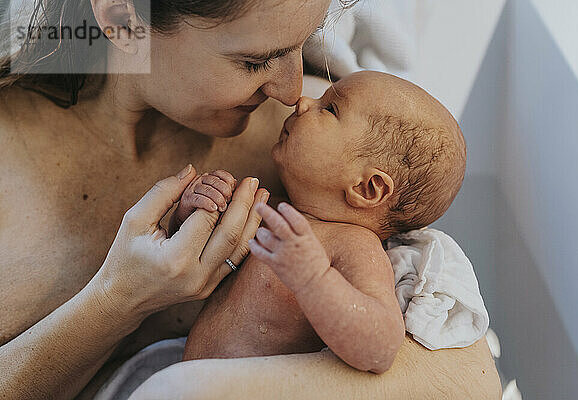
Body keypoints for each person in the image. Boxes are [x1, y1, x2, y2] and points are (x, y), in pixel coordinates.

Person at [0, 1, 501, 399]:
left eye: (303, 46)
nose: (292, 91)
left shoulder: (327, 160)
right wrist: (119, 299)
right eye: (255, 60)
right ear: (123, 20)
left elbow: (463, 378)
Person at [178, 71, 465, 376]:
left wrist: (313, 278)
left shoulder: (353, 246)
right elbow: (193, 259)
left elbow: (379, 349)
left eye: (329, 109)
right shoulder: (274, 210)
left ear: (367, 188)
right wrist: (196, 209)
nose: (302, 102)